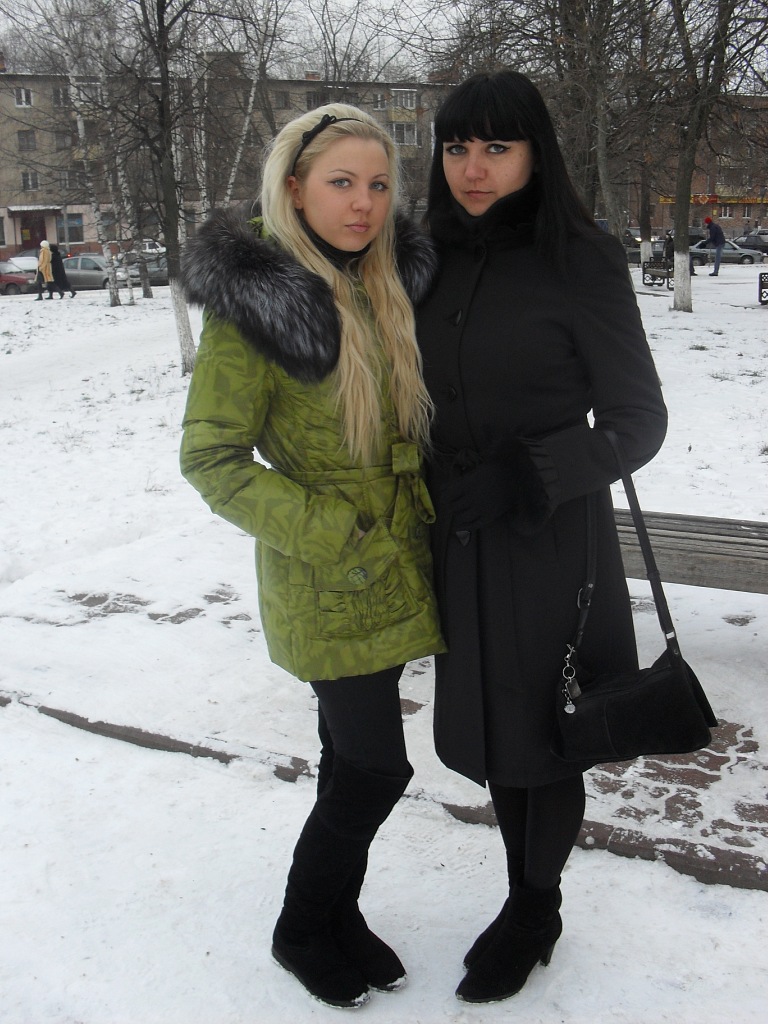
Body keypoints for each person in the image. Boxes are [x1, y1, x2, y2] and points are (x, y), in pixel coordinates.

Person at [179, 104, 444, 1009]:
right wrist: (334, 534)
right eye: (342, 183)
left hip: (394, 568)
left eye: (378, 185)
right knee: (376, 768)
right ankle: (300, 928)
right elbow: (211, 458)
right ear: (293, 188)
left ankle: (339, 914)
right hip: (329, 577)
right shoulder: (263, 306)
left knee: (347, 760)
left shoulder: (385, 284)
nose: (364, 203)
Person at [416, 70, 668, 1005]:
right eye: (457, 148)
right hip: (458, 538)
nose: (473, 168)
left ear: (536, 153)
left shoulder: (580, 260)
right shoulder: (424, 258)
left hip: (550, 541)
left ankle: (534, 907)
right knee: (491, 730)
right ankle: (523, 890)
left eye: (497, 147)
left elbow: (639, 420)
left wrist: (531, 472)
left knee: (544, 733)